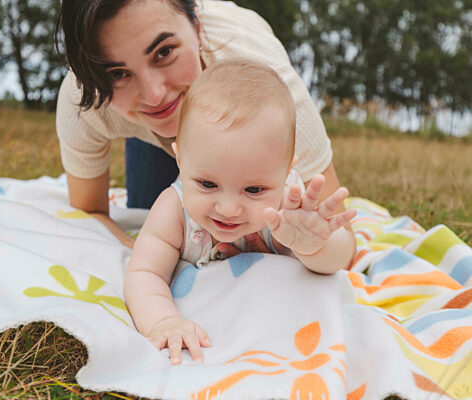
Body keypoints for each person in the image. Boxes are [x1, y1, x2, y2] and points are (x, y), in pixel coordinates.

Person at [55, 0, 345, 253]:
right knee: (149, 211)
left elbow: (335, 231)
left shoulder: (268, 89)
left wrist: (304, 243)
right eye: (118, 73)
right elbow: (89, 211)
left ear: (197, 27)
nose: (154, 95)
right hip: (149, 136)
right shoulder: (85, 98)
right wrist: (143, 254)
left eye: (164, 51)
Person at [124, 59, 357, 365]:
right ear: (179, 157)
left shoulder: (288, 209)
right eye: (207, 183)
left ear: (286, 174)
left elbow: (341, 260)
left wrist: (314, 245)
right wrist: (162, 321)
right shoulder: (174, 209)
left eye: (254, 190)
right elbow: (144, 272)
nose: (229, 209)